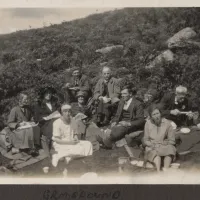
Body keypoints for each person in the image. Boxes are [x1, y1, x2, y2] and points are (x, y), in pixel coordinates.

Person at [143, 104, 176, 172]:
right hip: (152, 146)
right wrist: (152, 145)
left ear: (160, 113)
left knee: (170, 148)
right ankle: (158, 172)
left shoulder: (167, 123)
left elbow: (172, 141)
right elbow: (145, 139)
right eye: (154, 114)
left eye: (157, 113)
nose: (156, 116)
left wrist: (163, 143)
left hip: (163, 145)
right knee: (155, 153)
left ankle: (166, 170)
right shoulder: (148, 124)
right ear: (151, 116)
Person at [34, 87, 60, 153]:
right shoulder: (38, 105)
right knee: (52, 123)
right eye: (46, 93)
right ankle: (53, 145)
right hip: (44, 124)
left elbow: (59, 112)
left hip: (55, 122)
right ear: (43, 94)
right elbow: (36, 118)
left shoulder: (54, 103)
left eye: (50, 93)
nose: (48, 95)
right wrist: (45, 118)